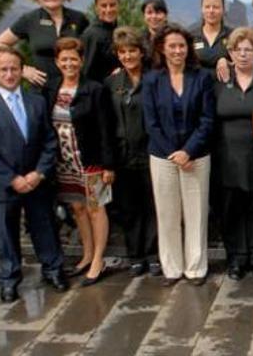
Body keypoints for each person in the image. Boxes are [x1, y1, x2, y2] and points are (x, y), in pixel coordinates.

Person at [0, 46, 68, 302]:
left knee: (44, 227)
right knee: (6, 233)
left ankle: (53, 269)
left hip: (37, 180)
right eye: (4, 69)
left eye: (14, 68)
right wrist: (12, 178)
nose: (10, 74)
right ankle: (10, 278)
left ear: (21, 70)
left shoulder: (36, 101)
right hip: (2, 184)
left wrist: (39, 173)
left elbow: (49, 140)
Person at [142, 24, 215, 287]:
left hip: (196, 155)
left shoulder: (202, 77)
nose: (177, 50)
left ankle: (196, 267)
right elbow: (150, 123)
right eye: (171, 45)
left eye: (181, 45)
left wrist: (188, 151)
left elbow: (207, 120)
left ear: (188, 48)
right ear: (162, 48)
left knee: (196, 213)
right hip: (162, 156)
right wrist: (174, 154)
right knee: (167, 213)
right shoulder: (151, 79)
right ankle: (171, 268)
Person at [44, 38, 116, 286]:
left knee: (97, 207)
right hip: (63, 161)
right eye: (63, 59)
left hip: (90, 159)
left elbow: (106, 128)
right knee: (78, 208)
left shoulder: (95, 89)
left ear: (81, 60)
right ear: (57, 62)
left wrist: (108, 164)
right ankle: (86, 254)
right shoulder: (52, 88)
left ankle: (98, 259)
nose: (69, 63)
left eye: (73, 58)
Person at [213, 27, 253, 281]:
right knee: (230, 211)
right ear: (230, 53)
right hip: (225, 159)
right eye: (238, 50)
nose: (243, 55)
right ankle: (236, 259)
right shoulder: (219, 81)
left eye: (249, 50)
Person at [104, 26, 159, 277]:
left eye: (132, 51)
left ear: (141, 52)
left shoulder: (155, 79)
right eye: (123, 52)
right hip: (122, 155)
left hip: (150, 153)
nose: (128, 56)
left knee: (153, 206)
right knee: (128, 208)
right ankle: (135, 254)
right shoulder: (112, 83)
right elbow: (104, 124)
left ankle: (153, 254)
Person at [0, 0, 89, 88]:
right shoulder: (30, 19)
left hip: (74, 89)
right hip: (42, 89)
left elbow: (92, 48)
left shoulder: (79, 18)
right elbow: (1, 43)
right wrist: (22, 69)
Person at [190, 0, 232, 81]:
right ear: (202, 9)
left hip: (225, 90)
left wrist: (226, 61)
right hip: (198, 89)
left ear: (223, 9)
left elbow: (243, 63)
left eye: (216, 7)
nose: (211, 11)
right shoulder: (190, 36)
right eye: (207, 7)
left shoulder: (233, 36)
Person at [81, 0, 121, 83]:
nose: (108, 10)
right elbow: (86, 71)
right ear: (96, 8)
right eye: (104, 6)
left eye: (112, 5)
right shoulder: (91, 35)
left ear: (118, 5)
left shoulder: (118, 31)